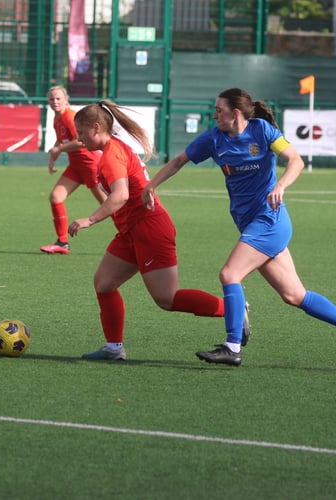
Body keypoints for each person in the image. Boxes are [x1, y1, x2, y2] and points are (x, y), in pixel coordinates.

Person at [142, 87, 336, 367]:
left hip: (269, 221)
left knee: (229, 274)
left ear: (235, 113)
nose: (214, 115)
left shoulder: (262, 130)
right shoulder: (214, 139)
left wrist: (281, 185)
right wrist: (151, 185)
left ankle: (232, 347)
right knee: (294, 295)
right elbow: (179, 161)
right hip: (251, 225)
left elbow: (295, 160)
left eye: (219, 110)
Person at [68, 100, 240, 361]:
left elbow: (120, 196)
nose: (78, 137)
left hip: (149, 228)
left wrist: (89, 220)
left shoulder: (111, 156)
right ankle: (114, 348)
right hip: (131, 230)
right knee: (104, 284)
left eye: (81, 132)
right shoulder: (113, 149)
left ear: (95, 128)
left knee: (167, 298)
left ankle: (234, 309)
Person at [40, 86, 106, 255]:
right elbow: (60, 140)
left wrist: (59, 149)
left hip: (90, 164)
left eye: (58, 99)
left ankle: (134, 236)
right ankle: (62, 242)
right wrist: (53, 157)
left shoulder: (70, 117)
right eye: (51, 99)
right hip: (76, 166)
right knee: (55, 197)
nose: (55, 102)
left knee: (107, 205)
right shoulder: (57, 118)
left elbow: (81, 141)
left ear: (66, 99)